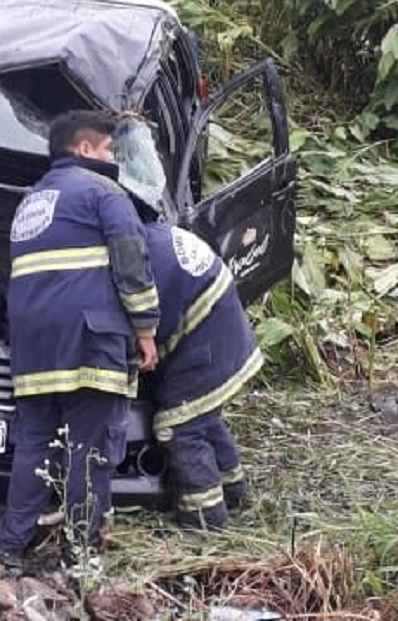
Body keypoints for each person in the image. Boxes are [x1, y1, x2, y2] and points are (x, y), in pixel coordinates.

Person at [0, 110, 161, 565]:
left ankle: (11, 545)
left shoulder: (31, 200)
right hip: (90, 340)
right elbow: (133, 263)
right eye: (109, 149)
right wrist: (146, 330)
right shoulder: (105, 191)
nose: (113, 159)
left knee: (33, 444)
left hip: (33, 347)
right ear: (85, 149)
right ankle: (80, 553)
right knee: (92, 447)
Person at [115, 137, 264, 529]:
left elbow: (143, 324)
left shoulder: (132, 253)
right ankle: (234, 489)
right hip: (222, 332)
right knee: (203, 416)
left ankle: (205, 519)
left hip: (209, 341)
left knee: (179, 425)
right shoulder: (153, 234)